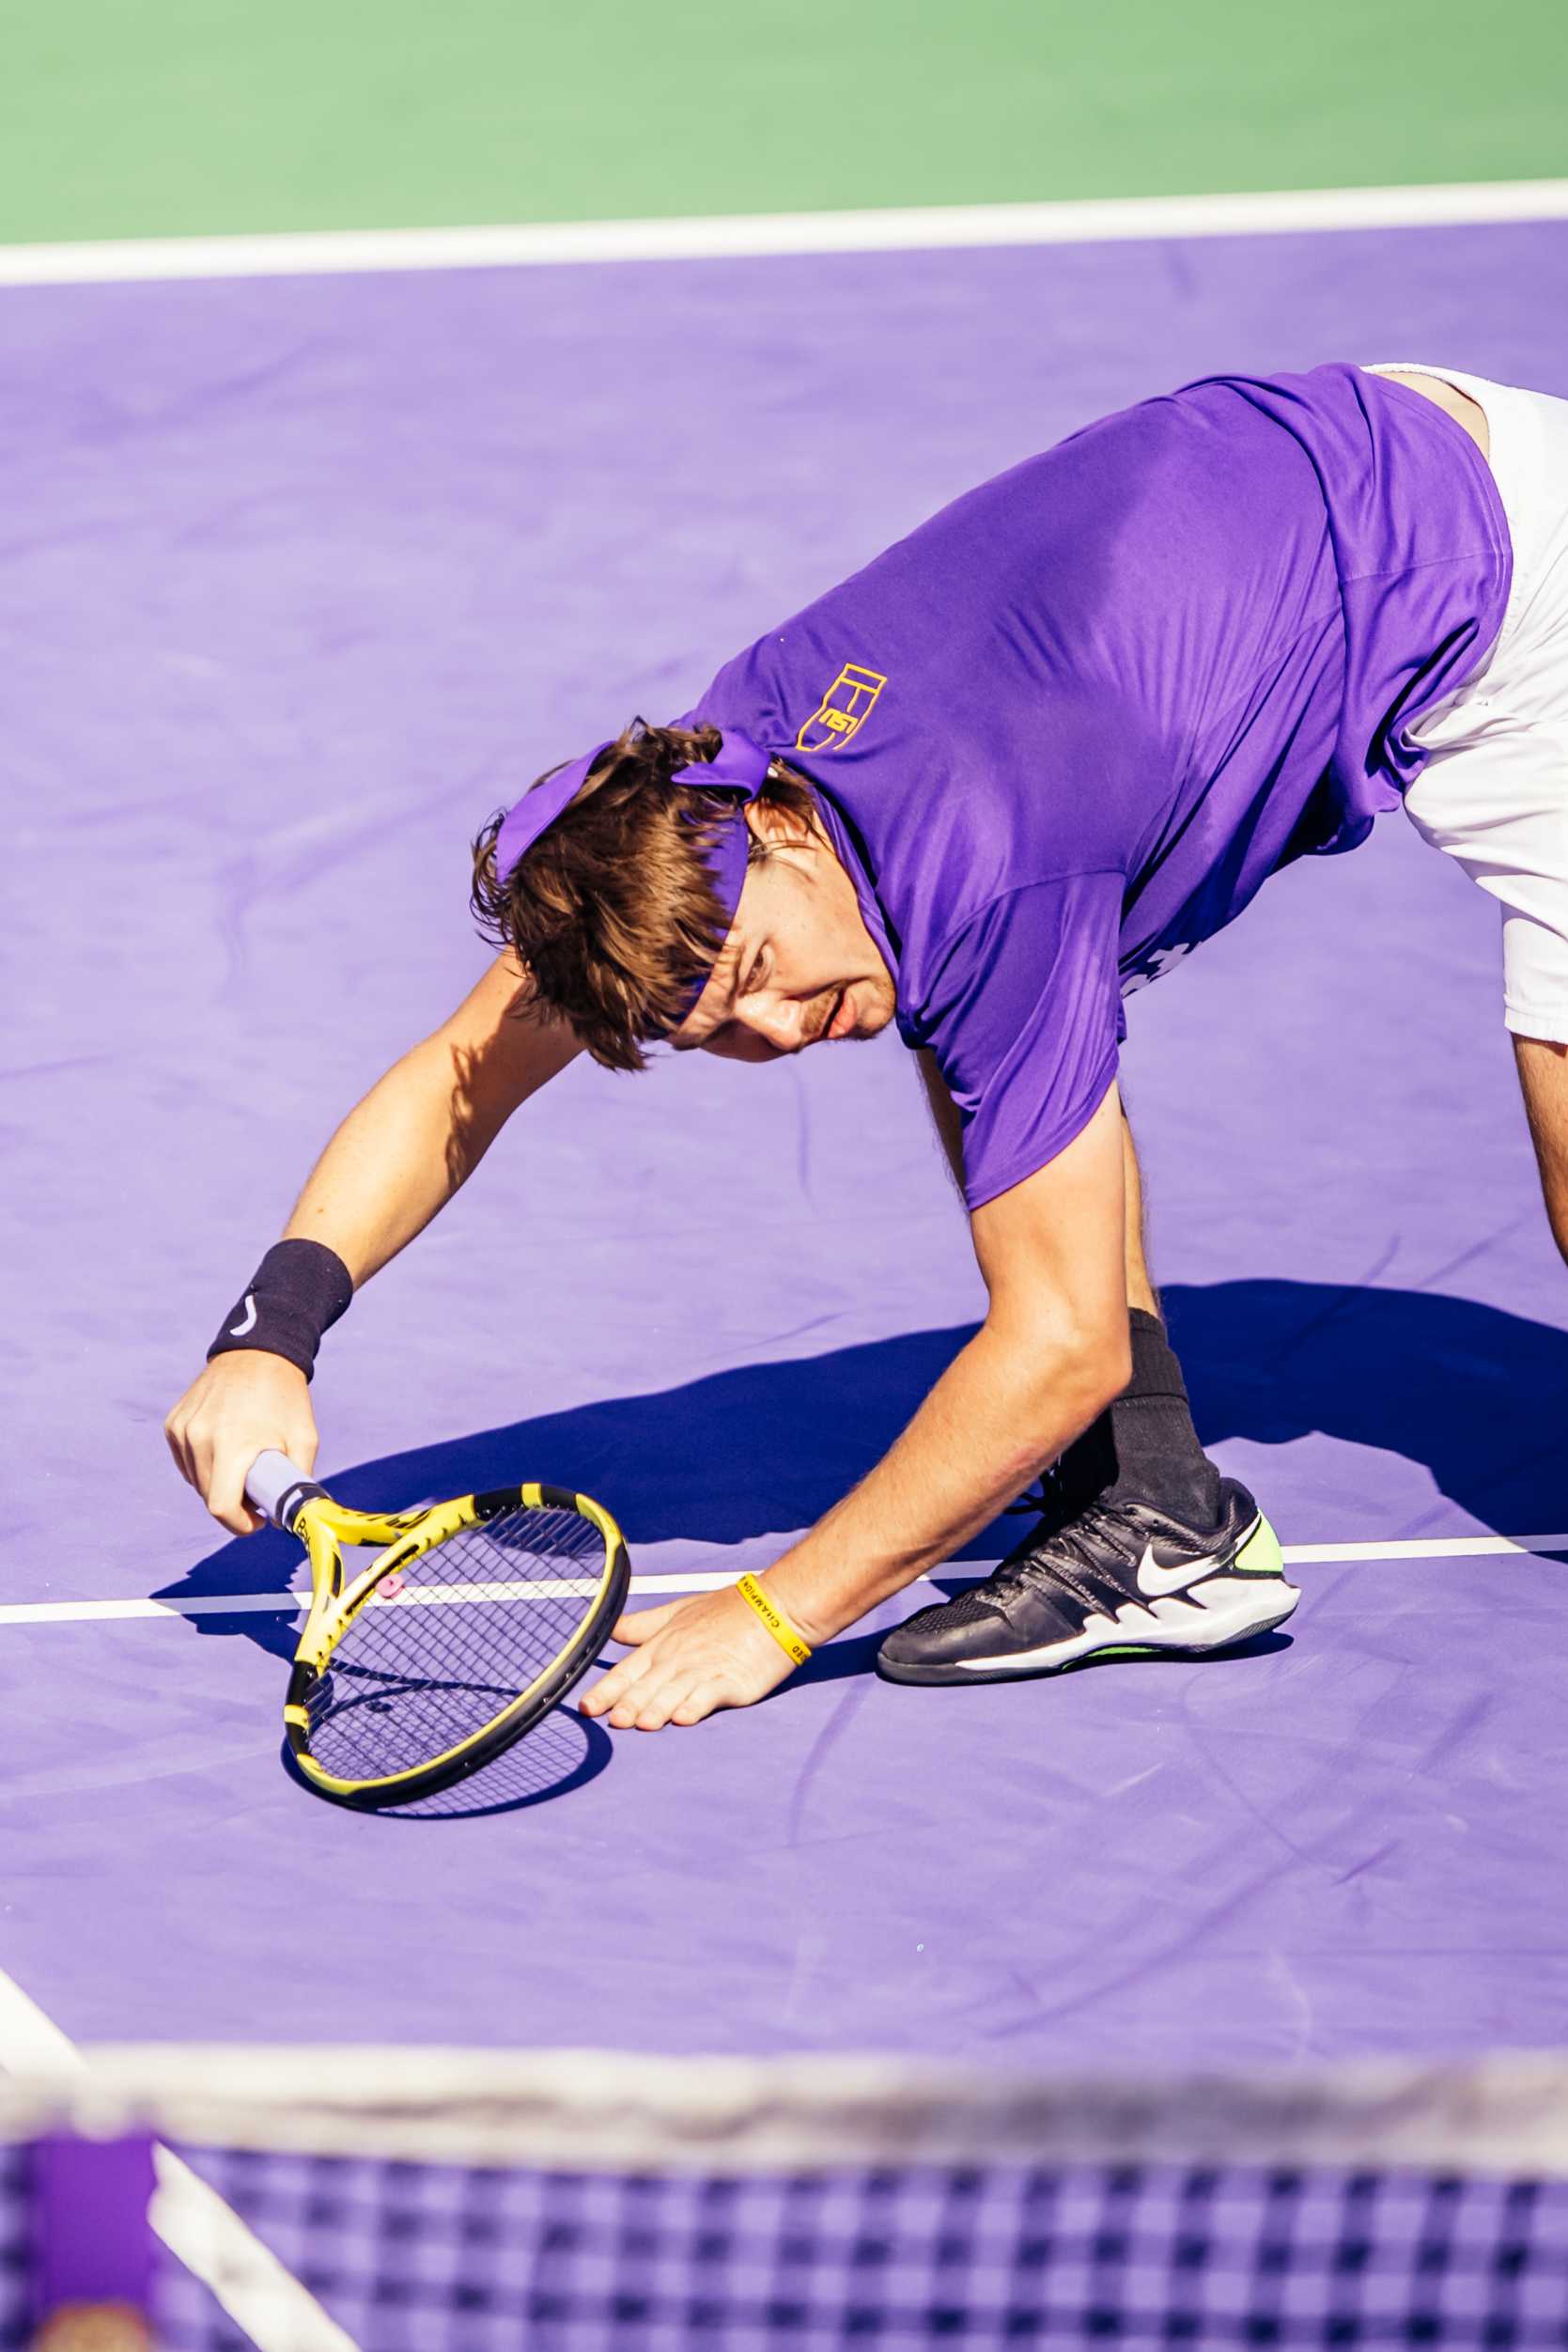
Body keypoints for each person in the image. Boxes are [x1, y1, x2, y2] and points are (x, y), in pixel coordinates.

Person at [165, 360, 1568, 1733]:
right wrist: (267, 1337)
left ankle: (1148, 1512)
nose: (786, 1030)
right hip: (1327, 462)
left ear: (779, 834)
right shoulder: (702, 795)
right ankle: (1156, 1522)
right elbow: (464, 1075)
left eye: (763, 975)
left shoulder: (995, 867)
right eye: (722, 1038)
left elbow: (1058, 1347)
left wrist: (774, 1614)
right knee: (924, 989)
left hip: (1508, 589)